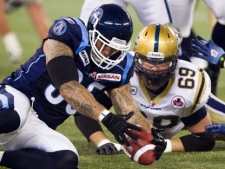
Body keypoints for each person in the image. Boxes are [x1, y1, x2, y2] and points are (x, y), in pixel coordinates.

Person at [0, 4, 167, 168]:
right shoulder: (70, 33)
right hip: (16, 96)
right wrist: (107, 118)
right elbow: (68, 87)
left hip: (39, 125)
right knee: (12, 119)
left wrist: (151, 136)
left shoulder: (121, 66)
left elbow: (130, 112)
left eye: (115, 49)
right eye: (104, 44)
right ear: (92, 34)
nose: (108, 52)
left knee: (67, 159)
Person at [75, 23, 216, 153]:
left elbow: (205, 139)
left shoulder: (188, 84)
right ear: (136, 58)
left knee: (219, 128)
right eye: (148, 61)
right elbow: (84, 110)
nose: (154, 68)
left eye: (162, 62)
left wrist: (166, 145)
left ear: (175, 61)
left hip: (182, 119)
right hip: (161, 120)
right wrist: (102, 142)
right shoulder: (121, 70)